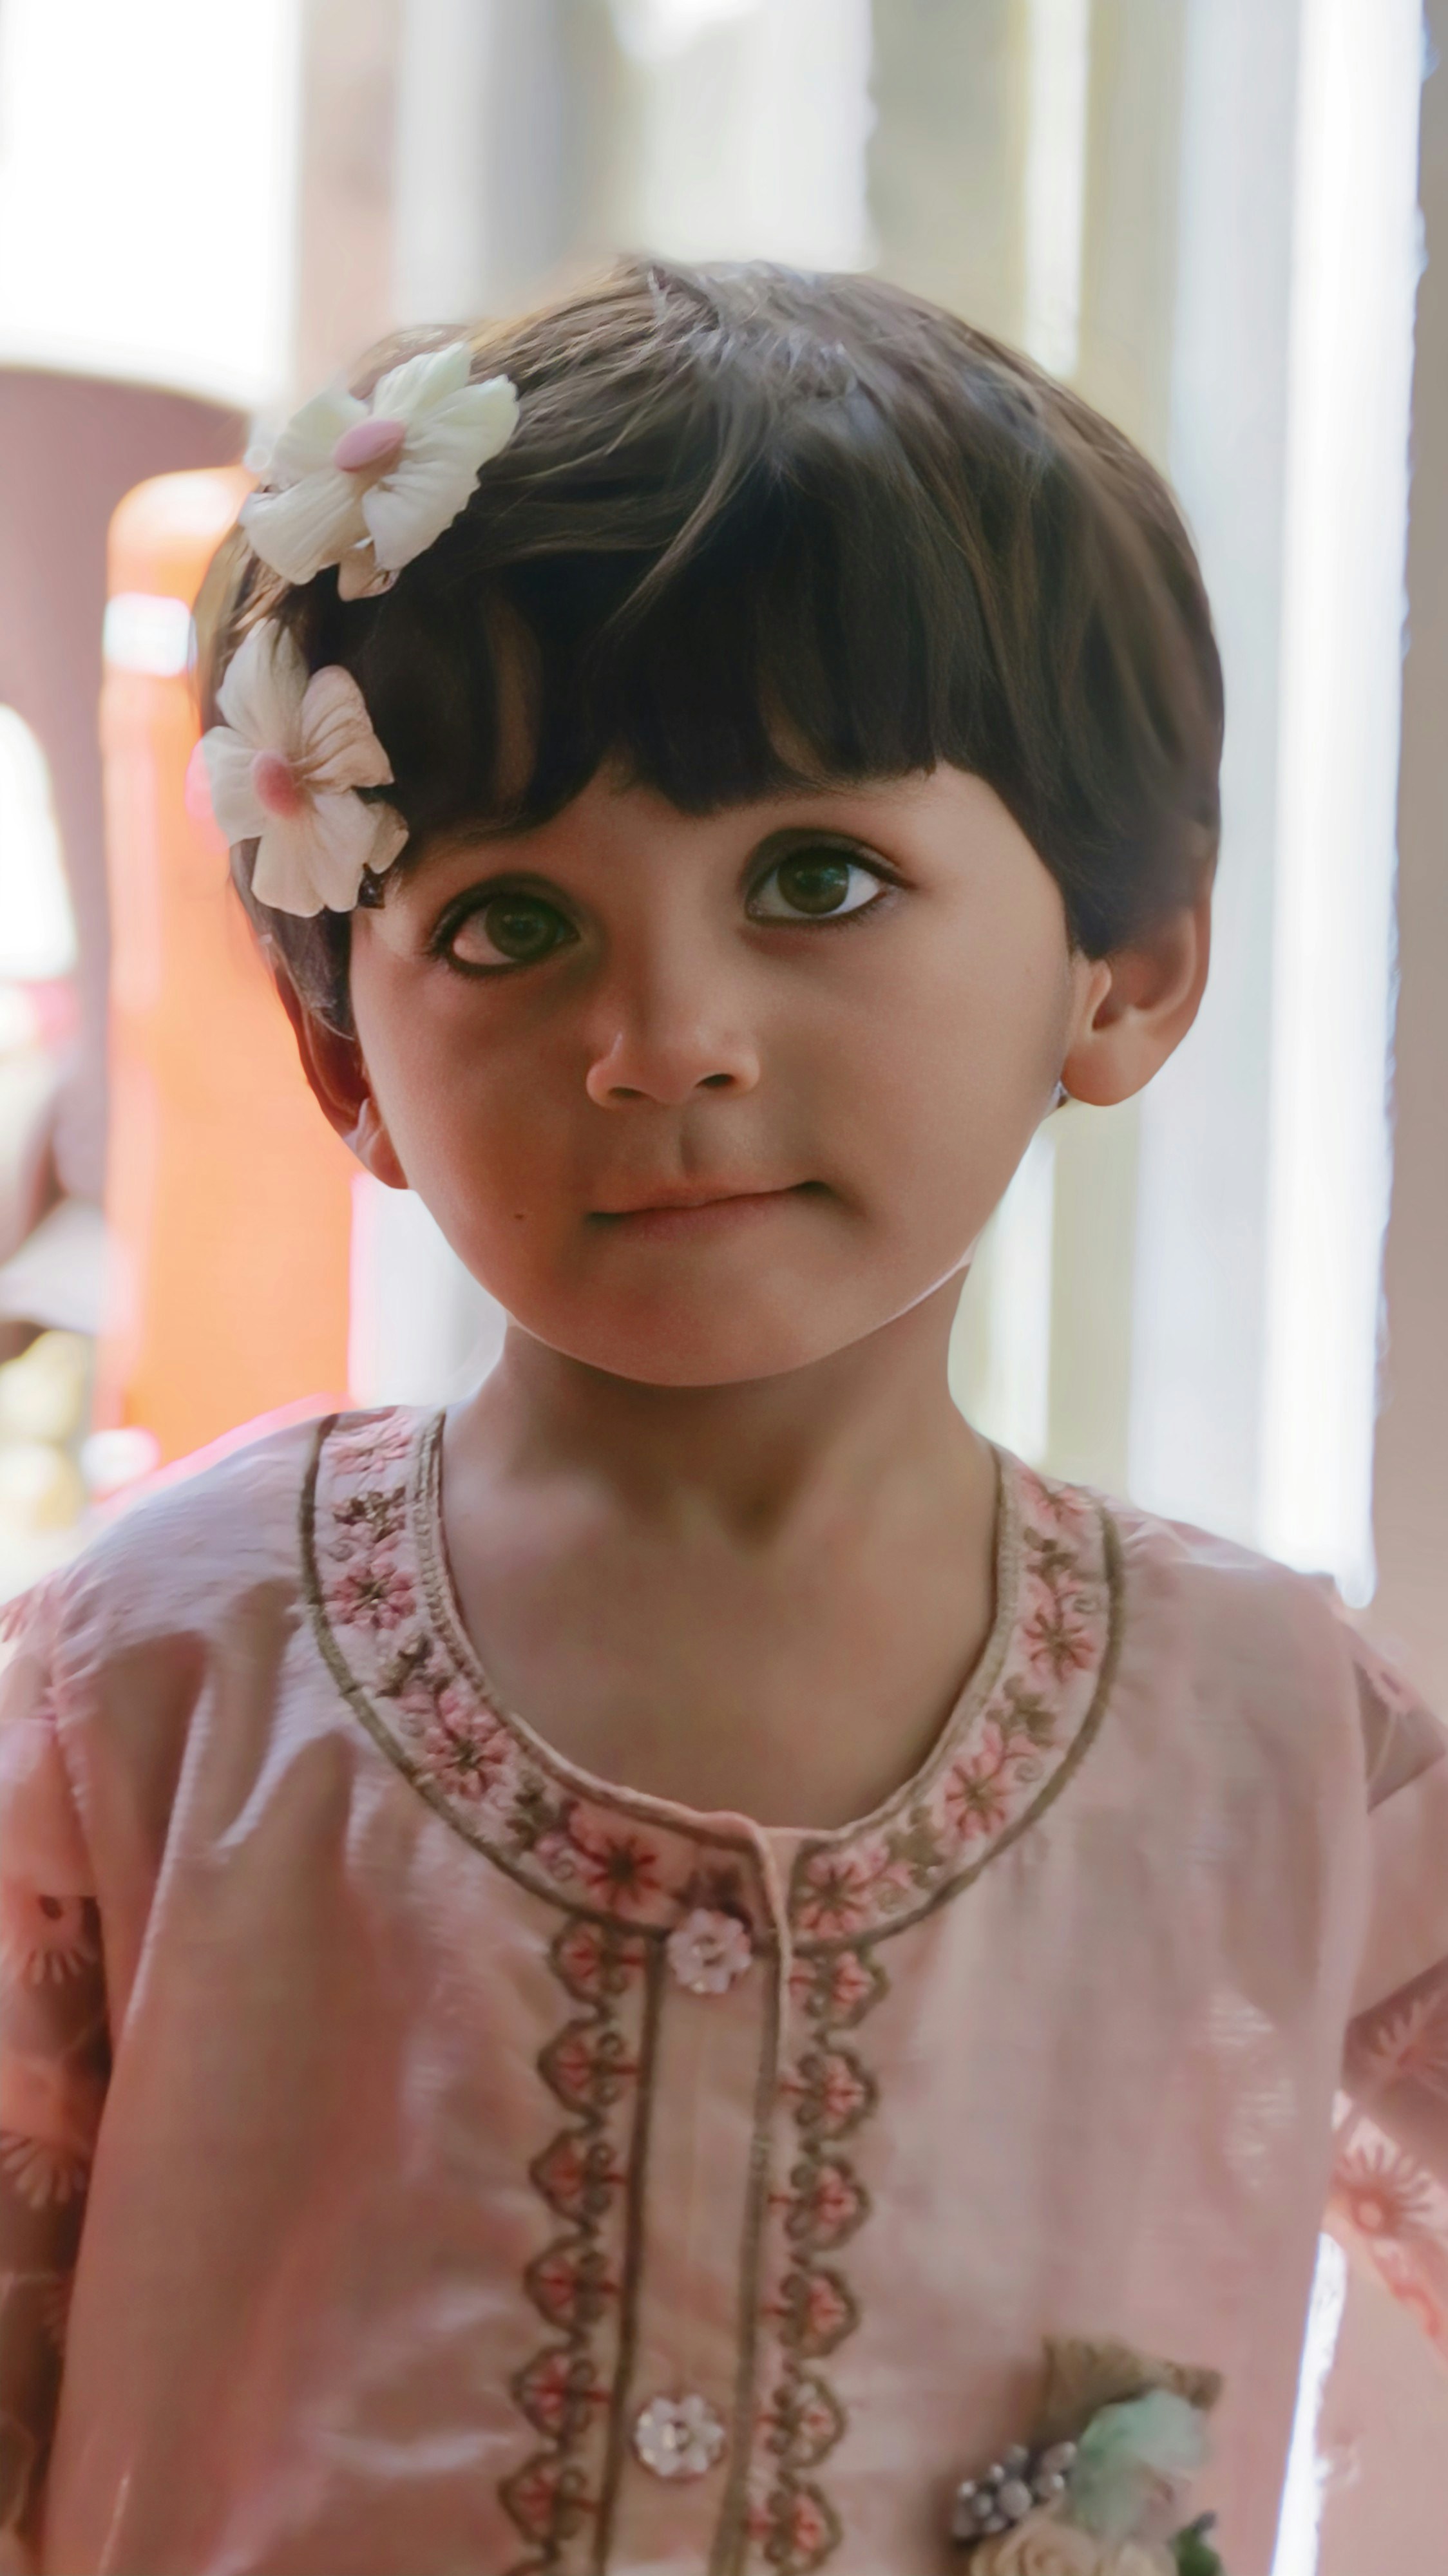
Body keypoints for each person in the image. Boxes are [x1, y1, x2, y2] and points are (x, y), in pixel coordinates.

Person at [0, 260, 1443, 2576]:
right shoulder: (154, 1677)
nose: (661, 1037)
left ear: (1126, 962)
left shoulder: (1281, 1740)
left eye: (815, 879)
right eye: (506, 927)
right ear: (345, 1059)